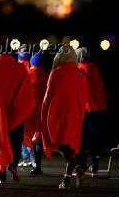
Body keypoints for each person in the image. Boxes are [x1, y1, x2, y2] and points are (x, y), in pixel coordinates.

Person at [0, 43, 35, 184]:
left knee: (0, 143)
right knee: (15, 142)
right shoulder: (20, 68)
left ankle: (1, 175)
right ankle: (13, 164)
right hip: (16, 114)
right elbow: (27, 92)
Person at [41, 44, 89, 189]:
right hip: (76, 113)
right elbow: (84, 96)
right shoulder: (81, 74)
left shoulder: (55, 73)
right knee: (71, 146)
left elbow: (48, 96)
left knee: (60, 144)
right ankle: (67, 179)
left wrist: (44, 112)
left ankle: (78, 169)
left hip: (58, 113)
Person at [76, 47, 107, 176]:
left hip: (84, 108)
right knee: (95, 139)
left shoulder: (79, 71)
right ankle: (94, 165)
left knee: (80, 138)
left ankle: (81, 165)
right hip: (98, 107)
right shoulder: (95, 70)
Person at [23, 51, 49, 175]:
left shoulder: (27, 74)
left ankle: (34, 164)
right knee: (39, 139)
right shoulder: (46, 75)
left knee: (30, 138)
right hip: (42, 112)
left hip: (29, 112)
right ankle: (37, 164)